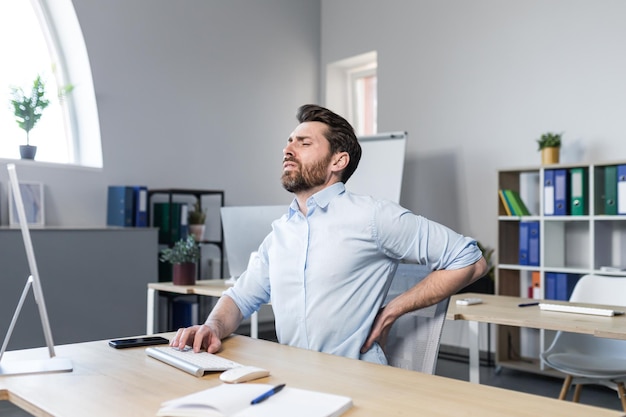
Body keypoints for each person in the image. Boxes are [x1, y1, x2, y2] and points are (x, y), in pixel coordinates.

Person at [172, 104, 487, 364]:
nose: (288, 149)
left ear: (338, 160)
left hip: (357, 384)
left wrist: (394, 309)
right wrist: (213, 325)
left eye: (304, 143)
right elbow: (239, 298)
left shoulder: (373, 216)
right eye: (289, 142)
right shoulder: (280, 234)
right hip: (294, 382)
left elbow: (470, 260)